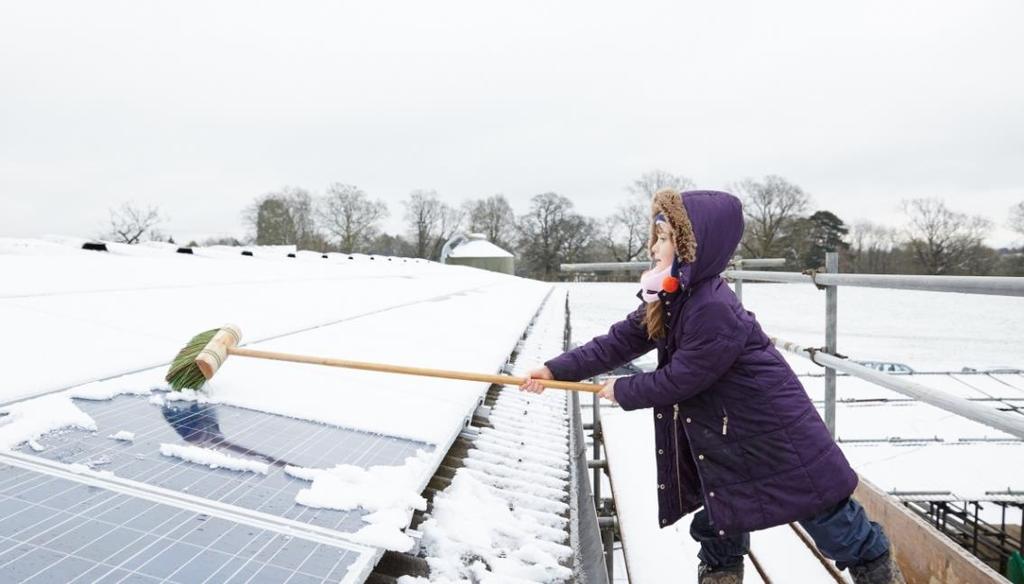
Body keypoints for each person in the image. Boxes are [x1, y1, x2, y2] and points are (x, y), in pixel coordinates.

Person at [520, 189, 904, 584]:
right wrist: (554, 371)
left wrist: (625, 390)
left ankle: (879, 571)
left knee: (828, 518)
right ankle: (721, 576)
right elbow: (620, 340)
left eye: (665, 238)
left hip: (774, 431)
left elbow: (684, 378)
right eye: (654, 236)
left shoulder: (712, 308)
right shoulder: (671, 294)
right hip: (727, 430)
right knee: (719, 511)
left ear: (692, 247)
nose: (654, 247)